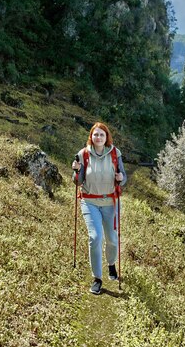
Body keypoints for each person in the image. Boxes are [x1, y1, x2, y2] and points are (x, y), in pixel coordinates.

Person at [72, 122, 127, 295]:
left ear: (106, 137)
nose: (98, 137)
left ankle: (111, 264)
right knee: (95, 237)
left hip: (110, 203)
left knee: (112, 239)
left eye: (102, 135)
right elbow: (78, 182)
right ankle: (97, 278)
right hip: (90, 202)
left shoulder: (115, 154)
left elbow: (123, 177)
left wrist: (121, 177)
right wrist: (76, 171)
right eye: (95, 135)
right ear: (91, 136)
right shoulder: (84, 154)